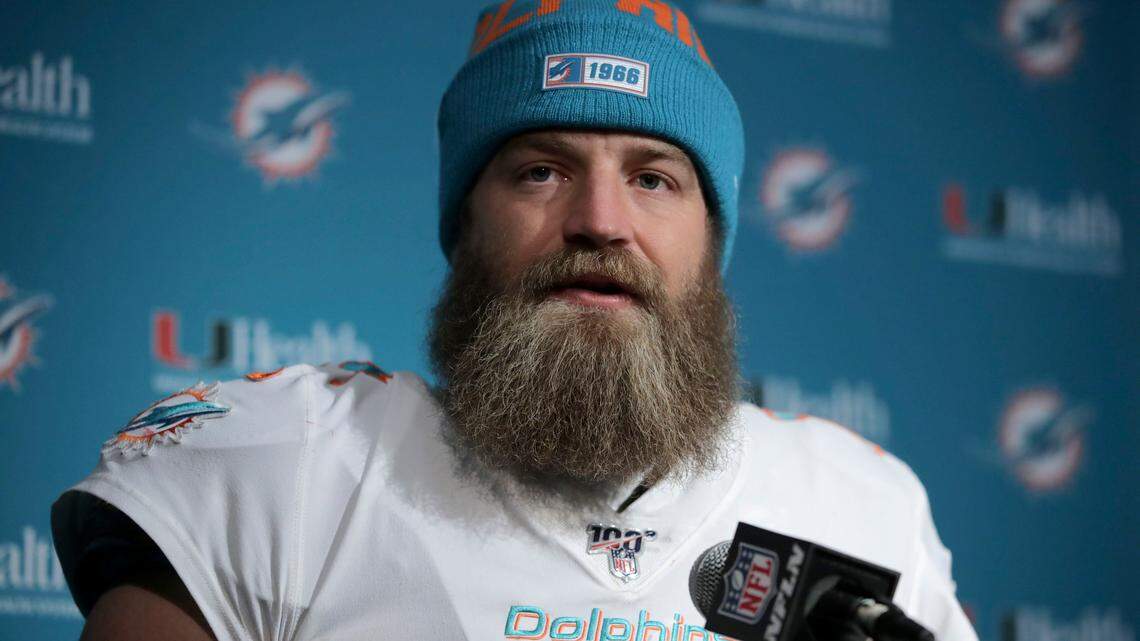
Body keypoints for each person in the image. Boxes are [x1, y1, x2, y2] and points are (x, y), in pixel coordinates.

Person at [52, 1, 978, 640]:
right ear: (465, 222)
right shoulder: (280, 469)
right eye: (541, 170)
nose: (601, 221)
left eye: (653, 178)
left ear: (712, 239)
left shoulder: (862, 511)